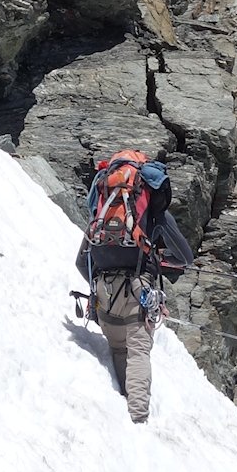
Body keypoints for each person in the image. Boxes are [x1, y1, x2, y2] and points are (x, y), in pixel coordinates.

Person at [77, 148, 194, 424]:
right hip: (138, 290)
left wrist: (102, 284)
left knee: (119, 349)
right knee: (138, 350)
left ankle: (123, 404)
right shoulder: (153, 215)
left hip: (104, 294)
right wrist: (156, 258)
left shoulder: (102, 213)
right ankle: (138, 420)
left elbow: (82, 262)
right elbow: (185, 258)